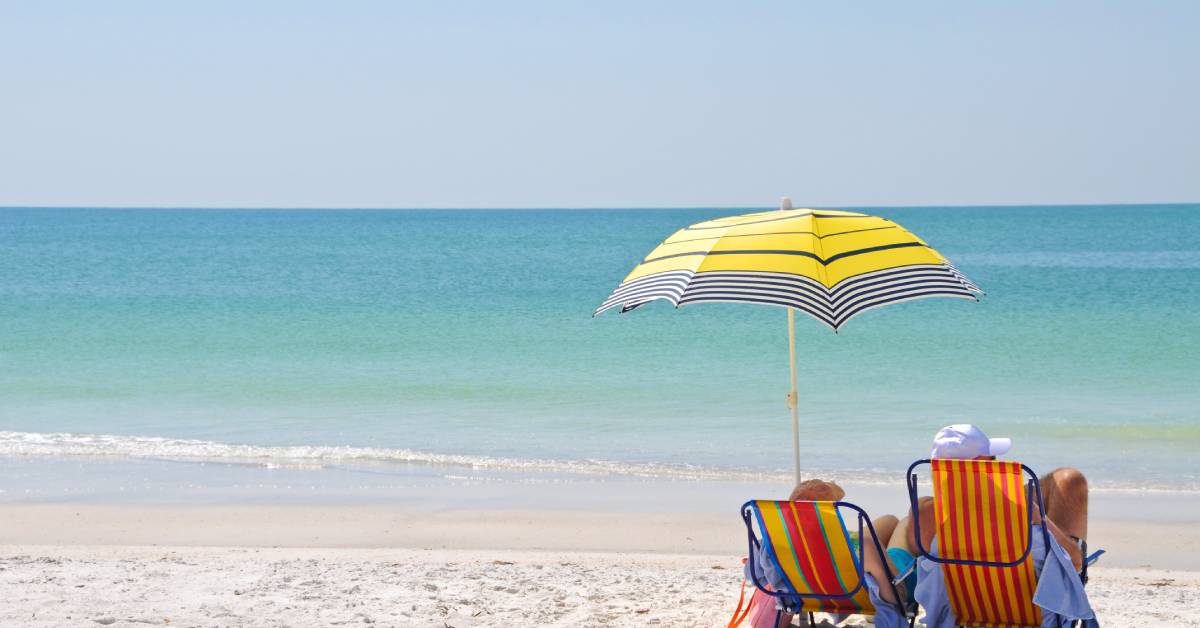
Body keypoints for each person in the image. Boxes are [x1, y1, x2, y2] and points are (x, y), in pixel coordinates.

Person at [912, 424, 1098, 628]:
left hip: (969, 618)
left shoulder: (939, 532)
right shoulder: (1027, 532)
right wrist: (1042, 521)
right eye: (992, 459)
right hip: (1034, 620)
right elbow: (1075, 562)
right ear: (983, 467)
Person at [745, 479, 913, 628]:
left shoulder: (774, 545)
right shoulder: (860, 546)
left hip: (818, 586)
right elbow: (898, 594)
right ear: (830, 515)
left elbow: (753, 575)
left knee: (887, 521)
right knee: (901, 522)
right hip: (882, 580)